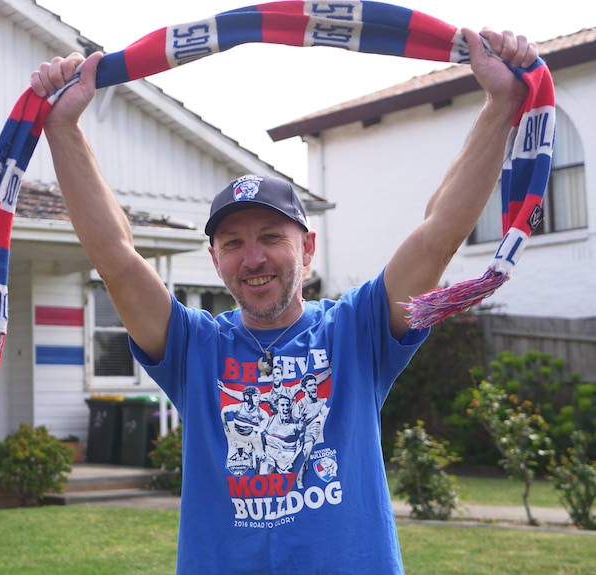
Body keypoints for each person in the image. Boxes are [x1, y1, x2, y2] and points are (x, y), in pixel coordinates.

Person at [31, 26, 537, 575]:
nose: (253, 259)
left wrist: (501, 104)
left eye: (271, 237)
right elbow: (116, 256)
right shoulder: (193, 348)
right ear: (215, 257)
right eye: (233, 243)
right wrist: (62, 128)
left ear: (307, 247)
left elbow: (438, 233)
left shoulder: (358, 331)